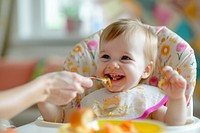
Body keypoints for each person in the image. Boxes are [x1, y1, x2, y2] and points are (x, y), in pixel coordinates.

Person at [38, 19, 187, 126]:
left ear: (146, 70)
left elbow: (173, 124)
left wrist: (176, 98)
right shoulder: (93, 101)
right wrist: (43, 96)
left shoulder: (145, 99)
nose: (113, 64)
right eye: (105, 56)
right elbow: (59, 119)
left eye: (125, 58)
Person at [0, 71, 93, 120]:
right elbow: (61, 118)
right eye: (105, 57)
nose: (108, 65)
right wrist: (44, 91)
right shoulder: (93, 100)